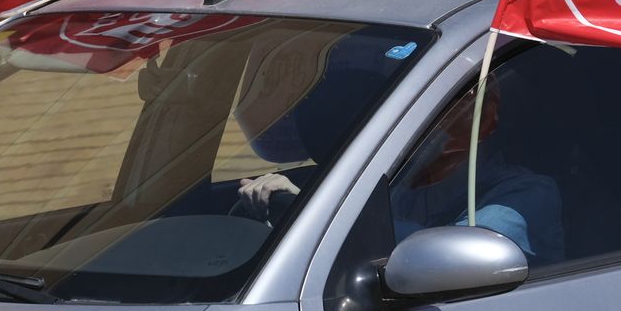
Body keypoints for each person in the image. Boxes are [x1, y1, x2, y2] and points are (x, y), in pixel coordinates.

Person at [238, 82, 562, 264]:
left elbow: (447, 261)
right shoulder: (395, 182)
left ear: (487, 117)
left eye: (453, 105)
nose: (430, 119)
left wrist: (319, 220)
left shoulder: (528, 193)